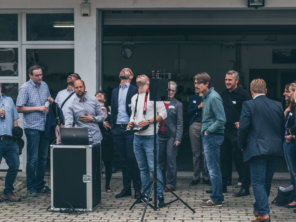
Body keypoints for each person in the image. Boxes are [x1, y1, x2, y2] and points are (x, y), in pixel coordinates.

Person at [238, 78, 284, 222]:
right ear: (265, 91)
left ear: (251, 91)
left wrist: (241, 144)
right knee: (266, 182)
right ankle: (259, 209)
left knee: (258, 182)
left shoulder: (248, 105)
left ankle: (264, 213)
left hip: (257, 148)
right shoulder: (278, 105)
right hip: (274, 148)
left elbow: (243, 128)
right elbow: (281, 127)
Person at [128, 74, 167, 207]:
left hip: (150, 136)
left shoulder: (154, 96)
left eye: (143, 76)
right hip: (137, 136)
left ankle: (160, 195)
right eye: (138, 76)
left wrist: (149, 121)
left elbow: (164, 113)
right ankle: (146, 195)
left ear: (148, 82)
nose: (140, 76)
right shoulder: (134, 97)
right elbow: (133, 115)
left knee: (153, 168)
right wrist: (131, 123)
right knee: (142, 169)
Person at [16, 65, 53, 197]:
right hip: (32, 127)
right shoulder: (25, 88)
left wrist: (50, 101)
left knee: (43, 158)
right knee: (33, 159)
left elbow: (47, 101)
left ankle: (40, 185)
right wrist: (38, 108)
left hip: (44, 126)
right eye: (37, 75)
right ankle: (31, 186)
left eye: (41, 74)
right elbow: (19, 108)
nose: (39, 77)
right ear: (30, 75)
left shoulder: (44, 85)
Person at [195, 72, 226, 208]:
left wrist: (208, 131)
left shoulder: (214, 97)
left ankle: (217, 199)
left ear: (206, 84)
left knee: (213, 169)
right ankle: (216, 196)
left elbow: (221, 119)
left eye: (198, 83)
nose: (195, 86)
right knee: (212, 168)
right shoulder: (207, 97)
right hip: (209, 136)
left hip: (212, 136)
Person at [110, 68, 141, 200]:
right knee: (122, 160)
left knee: (132, 159)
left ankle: (138, 190)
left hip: (129, 129)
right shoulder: (114, 91)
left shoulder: (135, 90)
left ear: (131, 76)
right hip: (118, 128)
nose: (123, 70)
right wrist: (112, 126)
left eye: (126, 70)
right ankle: (126, 188)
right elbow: (112, 108)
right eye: (121, 70)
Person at [220, 70, 251, 196]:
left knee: (240, 160)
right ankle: (222, 185)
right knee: (223, 159)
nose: (227, 82)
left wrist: (243, 122)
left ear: (236, 81)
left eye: (230, 80)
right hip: (225, 130)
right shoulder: (223, 94)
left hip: (238, 132)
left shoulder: (244, 95)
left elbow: (250, 111)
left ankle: (245, 187)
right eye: (226, 79)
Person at [158, 81, 183, 191]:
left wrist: (178, 138)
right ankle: (160, 182)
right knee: (160, 161)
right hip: (159, 135)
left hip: (171, 136)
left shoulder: (178, 104)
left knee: (170, 161)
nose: (171, 92)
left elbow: (180, 123)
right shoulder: (158, 102)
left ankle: (170, 184)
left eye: (173, 90)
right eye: (169, 90)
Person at [64, 79, 104, 144]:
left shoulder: (93, 100)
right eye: (76, 87)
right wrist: (67, 137)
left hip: (96, 137)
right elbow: (68, 123)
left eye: (81, 87)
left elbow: (101, 117)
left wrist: (93, 118)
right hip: (81, 138)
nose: (79, 89)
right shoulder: (71, 104)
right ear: (74, 89)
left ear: (84, 87)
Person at [0, 84, 20, 201]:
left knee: (15, 165)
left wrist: (16, 134)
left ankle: (8, 192)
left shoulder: (9, 100)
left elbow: (15, 118)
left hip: (10, 140)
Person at [188, 76, 209, 185]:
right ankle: (196, 176)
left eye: (198, 83)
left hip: (206, 124)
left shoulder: (208, 97)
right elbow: (189, 112)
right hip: (195, 125)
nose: (196, 86)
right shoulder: (193, 98)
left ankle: (206, 176)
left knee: (205, 152)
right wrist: (198, 107)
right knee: (196, 153)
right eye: (195, 83)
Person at [96, 91, 113, 193]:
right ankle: (95, 184)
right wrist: (101, 123)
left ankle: (107, 185)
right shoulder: (92, 110)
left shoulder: (109, 110)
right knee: (96, 163)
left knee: (108, 163)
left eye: (101, 94)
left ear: (105, 99)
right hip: (96, 139)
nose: (99, 95)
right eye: (97, 94)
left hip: (107, 139)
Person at [283, 82, 296, 208]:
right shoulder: (290, 108)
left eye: (289, 91)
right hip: (287, 142)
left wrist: (292, 136)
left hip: (291, 142)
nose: (285, 94)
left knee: (294, 172)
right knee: (292, 172)